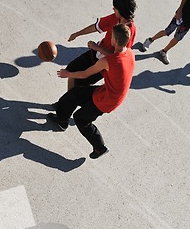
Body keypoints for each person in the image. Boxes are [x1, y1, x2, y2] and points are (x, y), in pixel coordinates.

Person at [47, 24, 135, 159]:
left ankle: (100, 148)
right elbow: (115, 55)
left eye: (111, 37)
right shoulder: (129, 53)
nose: (110, 39)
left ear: (115, 41)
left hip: (108, 100)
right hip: (110, 92)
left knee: (81, 119)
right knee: (74, 94)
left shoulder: (107, 61)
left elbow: (84, 74)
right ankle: (62, 120)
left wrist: (68, 73)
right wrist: (97, 48)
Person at [64, 0, 136, 91]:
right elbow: (96, 27)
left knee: (79, 83)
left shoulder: (130, 32)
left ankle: (68, 101)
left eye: (115, 8)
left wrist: (98, 48)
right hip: (94, 54)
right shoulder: (115, 17)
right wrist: (77, 34)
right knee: (70, 71)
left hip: (103, 65)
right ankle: (66, 99)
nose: (113, 9)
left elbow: (118, 58)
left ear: (122, 10)